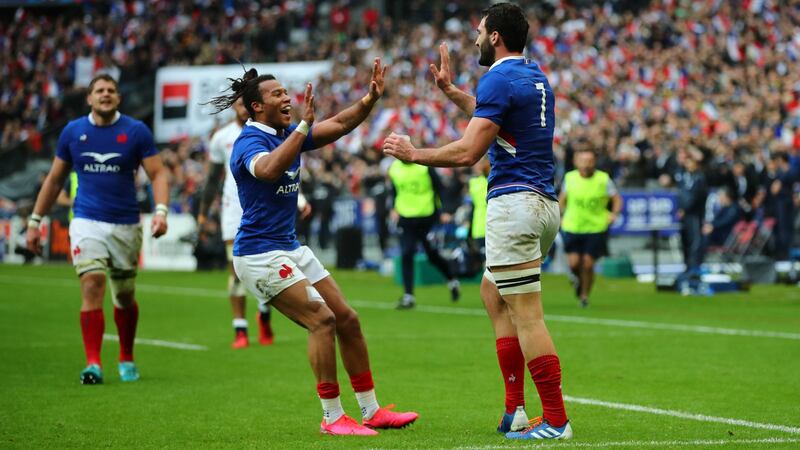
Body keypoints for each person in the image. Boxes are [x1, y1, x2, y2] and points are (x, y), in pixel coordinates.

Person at [383, 3, 572, 440]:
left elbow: (469, 151)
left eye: (479, 32)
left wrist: (415, 154)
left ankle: (557, 421)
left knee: (528, 316)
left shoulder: (498, 78)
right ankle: (515, 411)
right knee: (492, 292)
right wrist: (451, 92)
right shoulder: (534, 75)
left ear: (495, 38)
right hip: (543, 204)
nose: (474, 39)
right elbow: (494, 120)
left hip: (514, 205)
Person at [206, 60, 418, 436]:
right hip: (258, 254)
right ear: (257, 106)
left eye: (286, 92)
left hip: (289, 246)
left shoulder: (287, 131)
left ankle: (371, 410)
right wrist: (302, 126)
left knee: (348, 319)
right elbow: (269, 169)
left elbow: (337, 124)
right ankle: (332, 417)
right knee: (322, 321)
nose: (286, 98)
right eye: (277, 94)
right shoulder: (248, 142)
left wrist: (369, 99)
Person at [26, 74, 169, 385]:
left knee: (124, 296)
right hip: (87, 220)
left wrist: (160, 211)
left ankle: (126, 357)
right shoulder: (73, 132)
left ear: (118, 98)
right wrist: (35, 221)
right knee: (92, 283)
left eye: (111, 91)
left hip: (126, 224)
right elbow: (53, 180)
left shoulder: (136, 131)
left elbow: (158, 173)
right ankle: (93, 363)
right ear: (89, 98)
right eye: (99, 91)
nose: (106, 94)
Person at [198, 97, 275, 349]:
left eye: (248, 103)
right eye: (241, 103)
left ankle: (264, 314)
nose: (245, 107)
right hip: (233, 211)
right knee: (235, 270)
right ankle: (240, 328)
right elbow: (212, 178)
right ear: (234, 106)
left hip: (263, 209)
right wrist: (203, 212)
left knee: (264, 270)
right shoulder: (221, 137)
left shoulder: (267, 132)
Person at [388, 159, 460, 309]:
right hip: (405, 217)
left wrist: (445, 210)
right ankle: (408, 296)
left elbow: (440, 188)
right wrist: (393, 207)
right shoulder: (394, 168)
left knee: (432, 255)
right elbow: (394, 191)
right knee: (407, 253)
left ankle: (451, 278)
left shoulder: (424, 167)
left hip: (427, 217)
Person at [559, 148, 623, 308]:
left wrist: (613, 214)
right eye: (583, 160)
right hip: (573, 225)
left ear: (594, 162)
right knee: (574, 264)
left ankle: (584, 296)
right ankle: (578, 281)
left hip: (595, 227)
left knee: (588, 263)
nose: (586, 164)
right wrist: (559, 216)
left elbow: (617, 199)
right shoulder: (570, 178)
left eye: (589, 161)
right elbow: (562, 200)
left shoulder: (603, 179)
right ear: (576, 162)